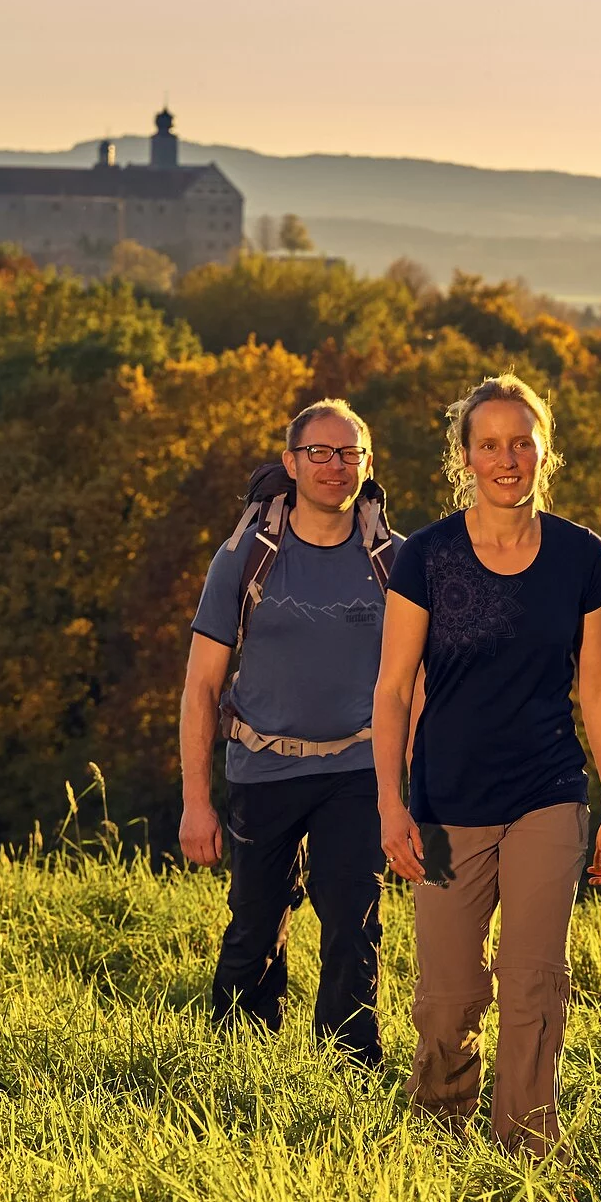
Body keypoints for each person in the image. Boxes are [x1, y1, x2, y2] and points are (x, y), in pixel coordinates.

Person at [371, 372, 601, 1153]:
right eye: (490, 444)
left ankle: (526, 1151)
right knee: (447, 999)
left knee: (532, 981)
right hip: (446, 802)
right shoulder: (427, 556)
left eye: (522, 441)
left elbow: (598, 683)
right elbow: (391, 689)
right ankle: (440, 1139)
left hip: (547, 791)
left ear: (545, 450)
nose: (507, 457)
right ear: (466, 455)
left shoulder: (583, 556)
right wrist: (390, 802)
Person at [180, 398, 395, 1069]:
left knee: (353, 928)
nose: (335, 467)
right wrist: (196, 800)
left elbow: (417, 684)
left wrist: (407, 790)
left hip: (358, 772)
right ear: (291, 462)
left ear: (367, 462)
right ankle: (236, 1070)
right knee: (253, 926)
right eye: (320, 453)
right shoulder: (245, 556)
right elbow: (200, 688)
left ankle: (349, 1074)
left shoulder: (396, 561)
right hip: (262, 766)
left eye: (349, 453)